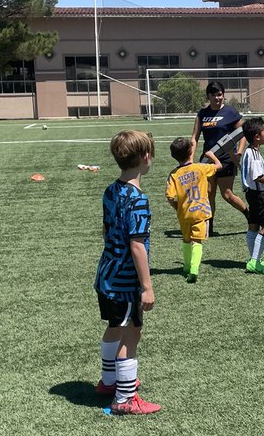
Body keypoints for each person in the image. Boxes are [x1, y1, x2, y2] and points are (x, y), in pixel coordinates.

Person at [93, 129, 161, 414]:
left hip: (106, 274)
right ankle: (124, 398)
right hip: (125, 280)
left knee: (114, 327)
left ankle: (109, 381)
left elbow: (107, 230)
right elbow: (137, 246)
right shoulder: (138, 199)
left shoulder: (111, 190)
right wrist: (147, 286)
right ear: (146, 157)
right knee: (130, 334)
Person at [190, 81, 247, 227]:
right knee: (209, 193)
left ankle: (250, 215)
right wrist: (190, 160)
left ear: (223, 95)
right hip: (208, 159)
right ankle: (209, 226)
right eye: (214, 95)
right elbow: (194, 139)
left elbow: (243, 133)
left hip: (226, 159)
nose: (217, 98)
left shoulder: (230, 112)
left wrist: (239, 153)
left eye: (220, 94)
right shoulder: (202, 114)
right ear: (208, 96)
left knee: (227, 194)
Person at [166, 136, 222, 282]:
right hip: (200, 212)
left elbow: (170, 196)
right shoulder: (200, 168)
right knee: (197, 241)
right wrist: (211, 156)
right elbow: (218, 166)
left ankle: (186, 266)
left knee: (186, 240)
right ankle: (194, 269)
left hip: (184, 214)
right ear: (191, 152)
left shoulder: (174, 174)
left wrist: (177, 208)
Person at [240, 116, 264, 274]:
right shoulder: (253, 154)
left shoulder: (249, 151)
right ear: (257, 137)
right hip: (259, 194)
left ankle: (253, 259)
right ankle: (255, 261)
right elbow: (257, 176)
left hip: (251, 193)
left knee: (253, 225)